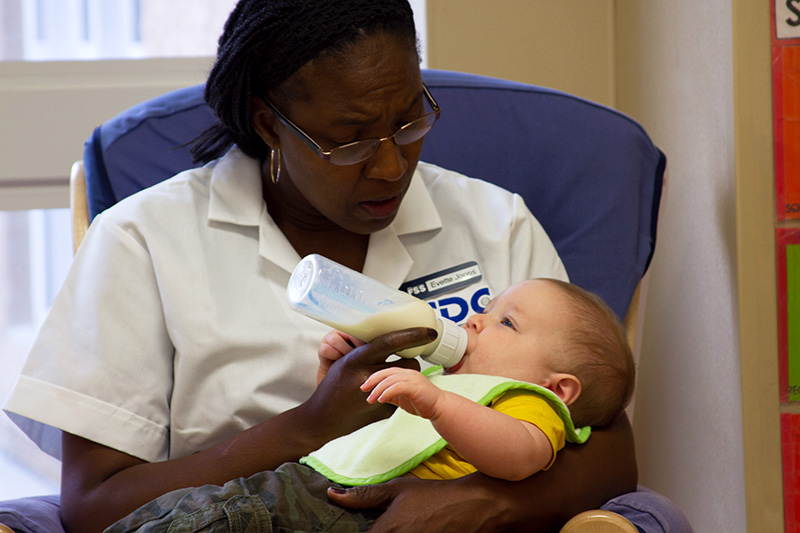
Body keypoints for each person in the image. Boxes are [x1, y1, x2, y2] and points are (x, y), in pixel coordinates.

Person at [2, 1, 637, 532]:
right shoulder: (143, 241)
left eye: (409, 119)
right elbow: (95, 506)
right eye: (350, 139)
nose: (391, 166)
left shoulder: (495, 222)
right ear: (268, 124)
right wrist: (308, 427)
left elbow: (608, 446)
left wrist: (492, 503)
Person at [105, 278, 635, 532]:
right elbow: (354, 431)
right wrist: (334, 377)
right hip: (302, 478)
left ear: (560, 387)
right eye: (488, 308)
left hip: (351, 512)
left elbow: (520, 456)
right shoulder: (436, 378)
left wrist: (437, 406)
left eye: (507, 323)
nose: (476, 320)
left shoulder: (529, 404)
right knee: (179, 516)